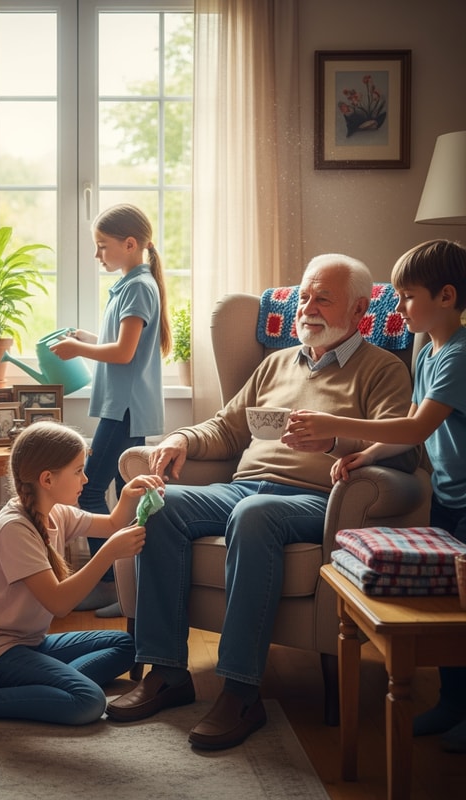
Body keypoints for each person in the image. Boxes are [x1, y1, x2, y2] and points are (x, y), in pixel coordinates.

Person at [105, 253, 419, 751]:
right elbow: (227, 428)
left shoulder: (382, 370)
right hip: (242, 487)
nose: (307, 307)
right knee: (159, 502)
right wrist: (183, 439)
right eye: (304, 295)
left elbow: (401, 450)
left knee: (254, 516)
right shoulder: (275, 363)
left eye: (323, 298)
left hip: (317, 499)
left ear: (360, 309)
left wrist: (336, 443)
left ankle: (240, 690)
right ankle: (167, 671)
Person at [288, 239, 466, 753]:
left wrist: (331, 424)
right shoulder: (425, 348)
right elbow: (402, 427)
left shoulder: (459, 355)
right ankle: (454, 702)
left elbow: (414, 429)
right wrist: (365, 454)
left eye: (408, 296)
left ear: (447, 295)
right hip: (452, 495)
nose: (398, 305)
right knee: (453, 600)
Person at [0, 421, 162, 725]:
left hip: (29, 643)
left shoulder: (56, 512)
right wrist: (107, 554)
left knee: (128, 646)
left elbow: (113, 525)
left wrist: (129, 495)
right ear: (47, 479)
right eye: (78, 471)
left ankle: (39, 686)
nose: (86, 478)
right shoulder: (15, 528)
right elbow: (59, 604)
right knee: (88, 701)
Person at [50, 204, 171, 618]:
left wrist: (78, 349)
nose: (98, 255)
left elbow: (123, 352)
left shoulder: (138, 287)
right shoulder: (131, 284)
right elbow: (119, 340)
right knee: (121, 493)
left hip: (125, 409)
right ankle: (124, 585)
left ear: (130, 244)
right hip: (121, 406)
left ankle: (111, 583)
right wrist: (85, 336)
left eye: (103, 247)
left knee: (89, 490)